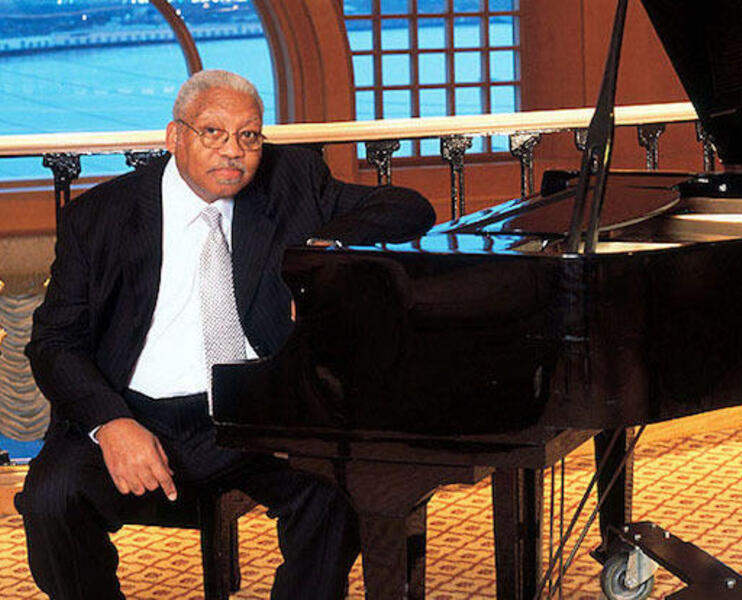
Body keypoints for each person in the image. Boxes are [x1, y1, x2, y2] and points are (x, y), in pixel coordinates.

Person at [16, 69, 435, 600]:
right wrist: (111, 422)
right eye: (213, 132)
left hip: (252, 413)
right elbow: (54, 342)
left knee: (336, 496)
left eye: (249, 135)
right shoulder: (101, 217)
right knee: (51, 499)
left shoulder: (290, 181)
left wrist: (316, 250)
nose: (233, 151)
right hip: (137, 410)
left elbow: (409, 208)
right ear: (175, 137)